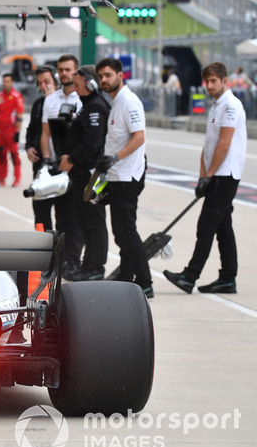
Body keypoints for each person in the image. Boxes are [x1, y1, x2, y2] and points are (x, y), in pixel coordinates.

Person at [164, 61, 247, 295]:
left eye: (213, 81)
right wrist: (202, 176)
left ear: (224, 81)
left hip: (225, 174)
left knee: (206, 226)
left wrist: (209, 176)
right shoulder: (216, 105)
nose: (209, 86)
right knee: (223, 228)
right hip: (214, 175)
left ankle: (189, 277)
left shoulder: (231, 105)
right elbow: (208, 146)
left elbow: (224, 144)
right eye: (206, 82)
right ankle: (228, 278)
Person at [96, 57, 152, 298]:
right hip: (118, 175)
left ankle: (145, 281)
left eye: (108, 75)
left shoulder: (128, 101)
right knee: (121, 231)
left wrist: (115, 157)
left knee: (126, 231)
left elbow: (139, 137)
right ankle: (126, 276)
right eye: (100, 77)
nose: (104, 80)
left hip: (128, 175)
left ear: (121, 75)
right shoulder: (116, 102)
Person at [58, 65, 109, 282]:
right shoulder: (87, 106)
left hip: (91, 173)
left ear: (90, 83)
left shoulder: (96, 107)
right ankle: (89, 265)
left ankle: (95, 266)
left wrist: (71, 159)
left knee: (93, 221)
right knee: (85, 220)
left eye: (78, 84)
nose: (76, 88)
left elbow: (92, 143)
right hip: (82, 172)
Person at [40, 54, 83, 273]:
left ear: (76, 72)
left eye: (68, 70)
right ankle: (62, 260)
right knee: (61, 215)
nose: (64, 73)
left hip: (77, 166)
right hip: (57, 166)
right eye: (61, 70)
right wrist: (48, 161)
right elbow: (45, 134)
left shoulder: (81, 98)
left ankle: (75, 260)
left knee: (76, 216)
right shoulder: (51, 99)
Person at [24, 66, 58, 229]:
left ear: (55, 81)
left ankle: (63, 249)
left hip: (60, 165)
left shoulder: (64, 101)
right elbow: (31, 130)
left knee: (62, 211)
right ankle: (43, 246)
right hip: (40, 165)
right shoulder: (38, 104)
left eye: (47, 82)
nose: (44, 86)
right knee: (40, 209)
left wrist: (52, 100)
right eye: (40, 83)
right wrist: (29, 147)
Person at [0, 73, 24, 187]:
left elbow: (19, 115)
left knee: (14, 155)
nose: (5, 83)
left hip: (11, 130)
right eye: (4, 81)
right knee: (1, 154)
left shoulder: (16, 96)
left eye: (8, 81)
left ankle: (17, 178)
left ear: (12, 82)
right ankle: (2, 178)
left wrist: (17, 132)